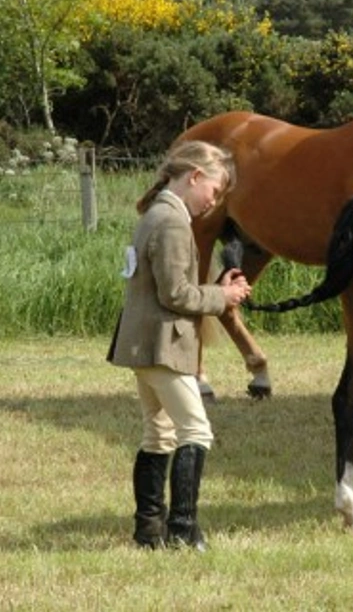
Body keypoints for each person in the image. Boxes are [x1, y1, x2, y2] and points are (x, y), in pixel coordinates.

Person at [108, 140, 251, 552]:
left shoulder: (158, 214)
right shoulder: (172, 221)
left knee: (159, 435)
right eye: (214, 190)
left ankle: (148, 531)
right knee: (196, 431)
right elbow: (175, 295)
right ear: (195, 176)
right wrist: (221, 298)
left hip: (145, 345)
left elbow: (167, 289)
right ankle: (183, 531)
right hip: (163, 346)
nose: (214, 201)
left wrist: (215, 289)